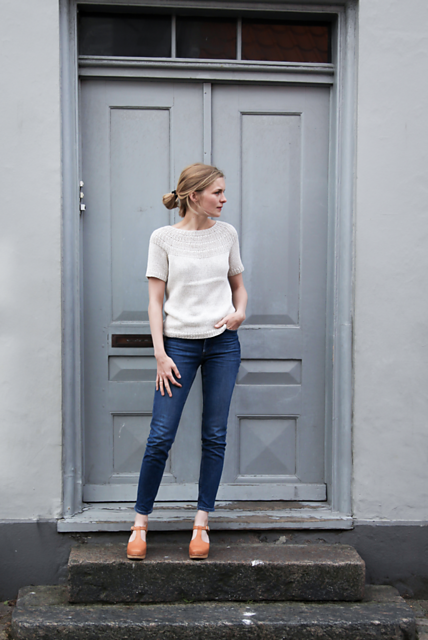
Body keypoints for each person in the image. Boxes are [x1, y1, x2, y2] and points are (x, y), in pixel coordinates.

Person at [127, 163, 248, 560]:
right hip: (178, 347)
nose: (224, 199)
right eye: (217, 192)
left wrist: (240, 312)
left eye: (223, 191)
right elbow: (154, 302)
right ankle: (140, 523)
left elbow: (239, 288)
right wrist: (160, 354)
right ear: (194, 196)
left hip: (223, 345)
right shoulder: (162, 238)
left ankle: (201, 522)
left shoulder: (227, 234)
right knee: (160, 436)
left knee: (214, 435)